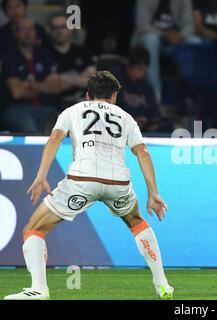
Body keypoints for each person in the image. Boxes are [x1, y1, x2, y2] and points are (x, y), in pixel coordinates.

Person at [3, 71, 174, 300]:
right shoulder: (125, 116)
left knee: (33, 229)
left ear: (87, 95)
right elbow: (142, 152)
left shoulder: (73, 111)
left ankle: (39, 289)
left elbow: (54, 138)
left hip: (82, 181)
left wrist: (42, 175)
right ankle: (162, 284)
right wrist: (153, 192)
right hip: (118, 183)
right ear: (114, 96)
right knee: (137, 223)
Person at [2, 18, 59, 133]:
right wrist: (43, 87)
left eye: (31, 29)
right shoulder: (9, 56)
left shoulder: (44, 54)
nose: (28, 33)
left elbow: (55, 87)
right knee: (31, 131)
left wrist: (29, 84)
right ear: (16, 33)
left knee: (60, 127)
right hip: (16, 109)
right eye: (23, 30)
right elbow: (17, 93)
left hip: (45, 107)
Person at [133, 0, 199, 101]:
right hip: (149, 39)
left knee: (194, 41)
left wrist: (180, 35)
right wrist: (163, 34)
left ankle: (191, 93)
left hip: (174, 40)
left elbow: (189, 26)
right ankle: (155, 92)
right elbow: (142, 26)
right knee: (152, 40)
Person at [48, 12, 96, 109]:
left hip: (86, 102)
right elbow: (51, 86)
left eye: (63, 27)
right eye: (55, 28)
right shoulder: (45, 54)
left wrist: (64, 78)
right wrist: (80, 78)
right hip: (58, 104)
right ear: (51, 31)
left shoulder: (82, 50)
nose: (59, 31)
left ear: (69, 29)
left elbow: (92, 81)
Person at [117, 47, 169, 133]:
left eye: (143, 70)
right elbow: (115, 109)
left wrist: (153, 122)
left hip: (144, 128)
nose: (140, 73)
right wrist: (133, 120)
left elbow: (154, 110)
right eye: (138, 69)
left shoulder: (147, 87)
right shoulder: (117, 83)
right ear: (129, 67)